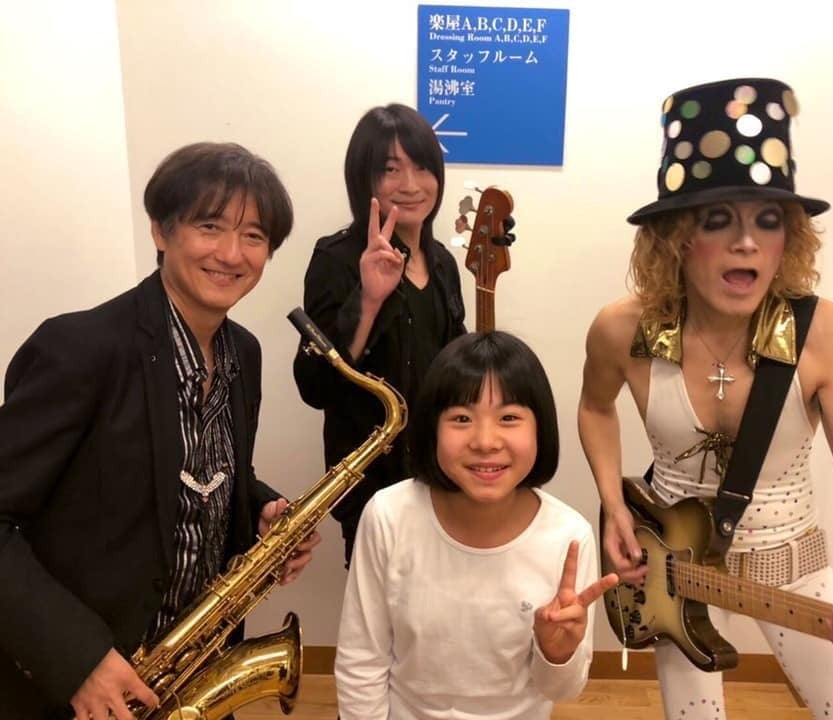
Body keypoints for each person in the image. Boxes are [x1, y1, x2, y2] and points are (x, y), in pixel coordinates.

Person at [578, 78, 833, 719]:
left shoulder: (831, 338)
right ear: (675, 236)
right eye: (718, 220)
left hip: (792, 567)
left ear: (790, 237)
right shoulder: (622, 330)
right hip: (675, 569)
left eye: (768, 220)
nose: (747, 242)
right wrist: (613, 504)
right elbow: (595, 409)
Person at [0, 142, 320, 720]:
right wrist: (77, 658)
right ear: (160, 230)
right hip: (77, 687)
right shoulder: (79, 348)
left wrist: (261, 511)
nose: (232, 253)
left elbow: (202, 473)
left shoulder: (243, 354)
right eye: (209, 226)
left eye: (253, 235)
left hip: (189, 676)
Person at [335, 331, 618, 719]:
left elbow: (562, 691)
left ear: (541, 428)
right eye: (462, 419)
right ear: (432, 427)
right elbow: (361, 660)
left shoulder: (568, 536)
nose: (485, 441)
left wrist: (557, 652)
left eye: (509, 418)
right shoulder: (389, 515)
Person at [293, 103, 465, 565]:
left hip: (443, 477)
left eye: (423, 167)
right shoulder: (337, 259)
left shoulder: (444, 264)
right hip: (372, 488)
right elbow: (314, 386)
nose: (411, 184)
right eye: (391, 170)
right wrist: (368, 300)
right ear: (364, 180)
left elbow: (456, 371)